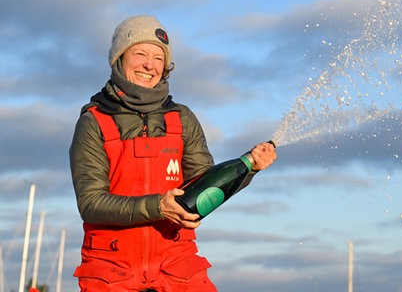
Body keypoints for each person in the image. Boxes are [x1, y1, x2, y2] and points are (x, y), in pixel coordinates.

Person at [69, 15, 277, 292]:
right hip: (112, 272)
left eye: (158, 57)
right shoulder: (93, 122)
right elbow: (91, 203)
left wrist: (249, 166)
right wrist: (158, 207)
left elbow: (206, 187)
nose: (149, 65)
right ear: (119, 59)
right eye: (140, 53)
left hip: (178, 268)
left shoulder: (183, 119)